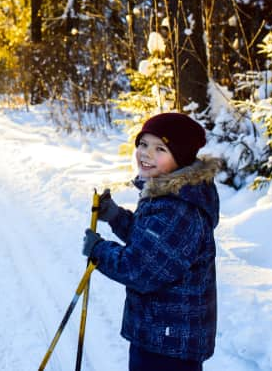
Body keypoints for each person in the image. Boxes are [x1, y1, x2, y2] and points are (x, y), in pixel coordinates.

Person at [81, 112, 221, 371]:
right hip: (164, 333)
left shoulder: (179, 208)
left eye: (160, 149)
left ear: (179, 158)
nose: (146, 154)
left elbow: (140, 269)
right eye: (143, 144)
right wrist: (116, 217)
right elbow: (154, 245)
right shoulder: (169, 193)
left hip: (169, 344)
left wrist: (98, 251)